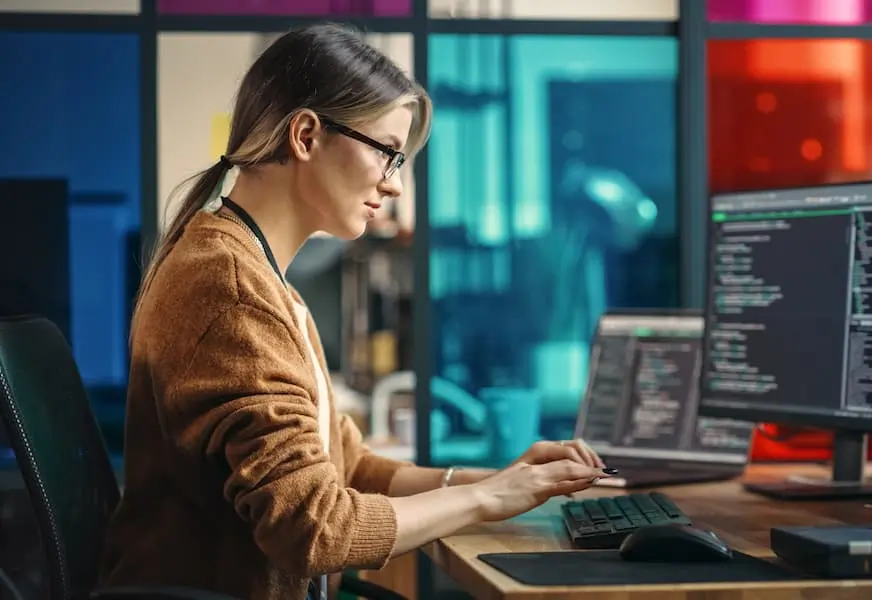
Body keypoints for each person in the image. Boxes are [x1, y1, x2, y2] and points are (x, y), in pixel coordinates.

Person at [97, 23, 610, 600]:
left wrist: (504, 479)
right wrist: (487, 500)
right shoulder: (232, 288)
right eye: (388, 153)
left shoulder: (260, 277)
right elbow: (317, 530)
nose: (394, 186)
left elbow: (351, 467)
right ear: (307, 135)